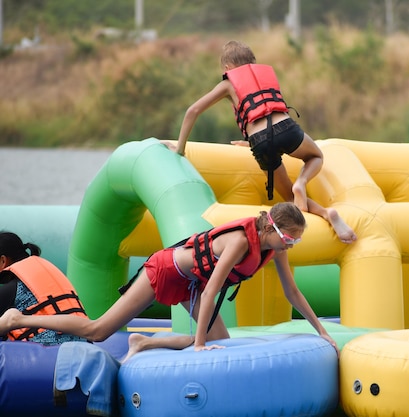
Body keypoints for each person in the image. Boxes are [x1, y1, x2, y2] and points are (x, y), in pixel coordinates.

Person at [0, 203, 339, 359]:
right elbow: (211, 289)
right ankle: (19, 318)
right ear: (272, 228)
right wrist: (201, 343)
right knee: (99, 330)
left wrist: (321, 330)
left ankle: (143, 344)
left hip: (191, 283)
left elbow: (291, 291)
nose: (291, 246)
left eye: (295, 242)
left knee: (223, 339)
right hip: (166, 271)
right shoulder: (239, 241)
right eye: (290, 239)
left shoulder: (273, 247)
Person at [170, 40, 357, 244]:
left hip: (260, 143)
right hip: (286, 129)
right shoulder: (263, 78)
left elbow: (193, 111)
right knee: (315, 156)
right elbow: (269, 113)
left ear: (226, 68)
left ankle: (324, 212)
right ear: (253, 63)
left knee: (288, 197)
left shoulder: (227, 84)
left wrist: (180, 149)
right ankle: (308, 189)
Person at [0, 231, 88, 345]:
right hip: (84, 344)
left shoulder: (12, 289)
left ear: (3, 261)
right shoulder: (49, 272)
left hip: (49, 353)